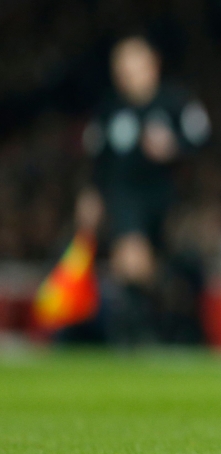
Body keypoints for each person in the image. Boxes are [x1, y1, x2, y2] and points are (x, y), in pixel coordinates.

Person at [81, 35, 210, 344]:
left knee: (162, 267)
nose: (127, 72)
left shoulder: (176, 103)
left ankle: (165, 316)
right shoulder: (109, 109)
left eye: (134, 63)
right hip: (125, 196)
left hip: (169, 199)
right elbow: (97, 161)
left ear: (152, 65)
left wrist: (174, 147)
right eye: (122, 65)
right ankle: (140, 333)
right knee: (131, 261)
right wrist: (91, 196)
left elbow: (203, 141)